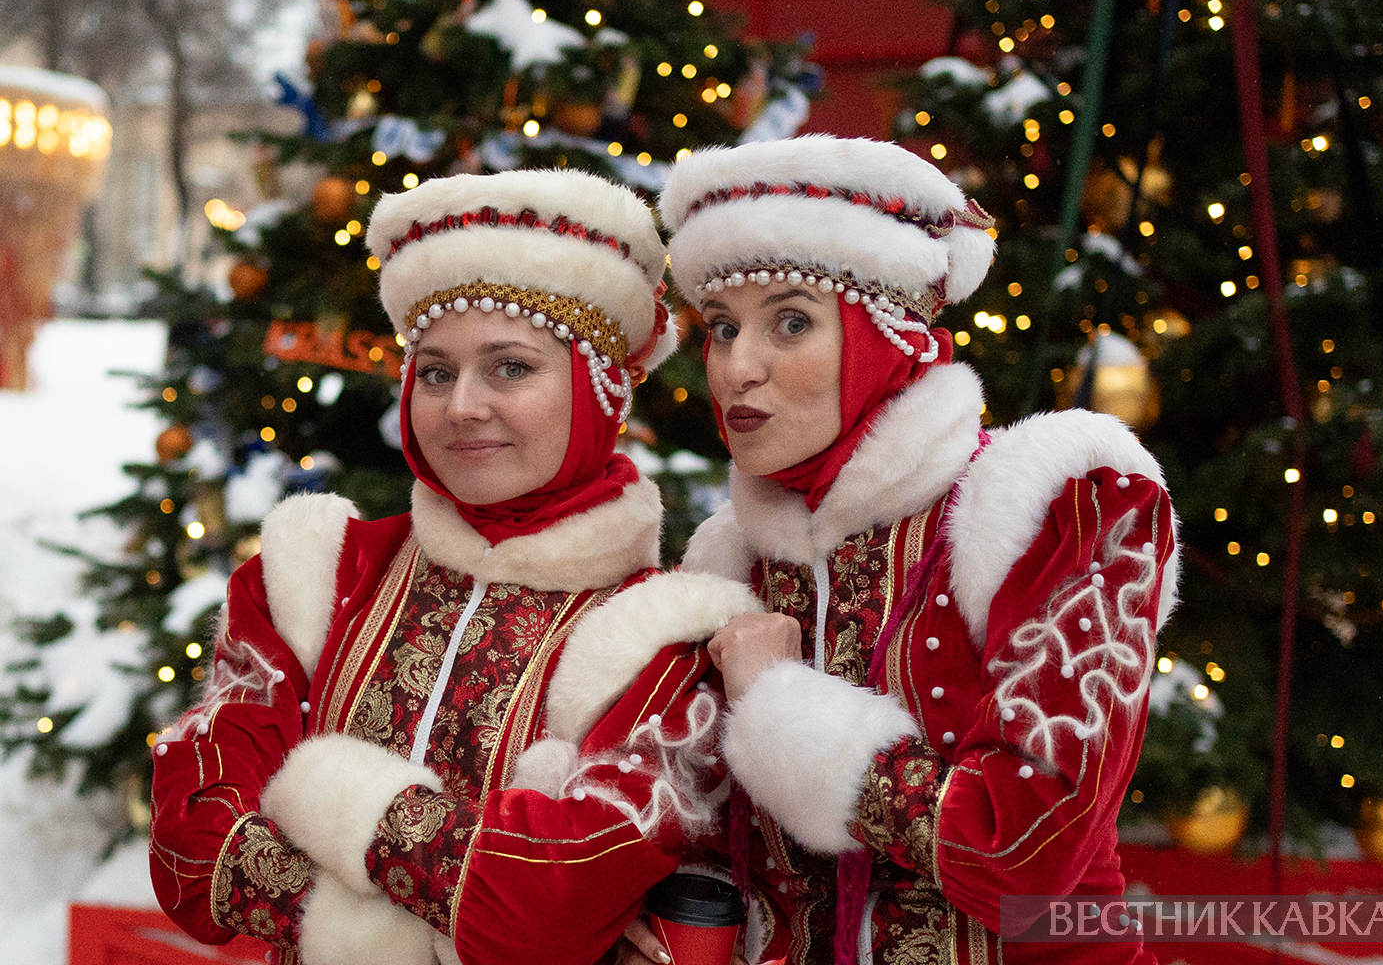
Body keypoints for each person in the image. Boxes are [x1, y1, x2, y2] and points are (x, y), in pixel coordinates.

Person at [149, 169, 762, 965]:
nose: (462, 406)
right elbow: (192, 848)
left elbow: (549, 901)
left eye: (510, 367)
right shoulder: (316, 575)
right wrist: (451, 916)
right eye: (436, 371)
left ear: (600, 388)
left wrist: (326, 795)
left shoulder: (666, 639)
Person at [657, 136, 1180, 965]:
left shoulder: (1057, 505)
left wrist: (784, 711)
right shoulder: (730, 558)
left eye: (790, 321)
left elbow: (1025, 858)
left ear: (890, 335)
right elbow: (689, 828)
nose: (737, 368)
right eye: (722, 327)